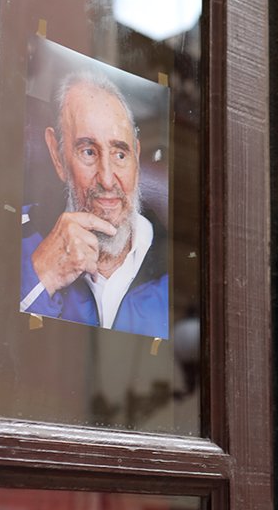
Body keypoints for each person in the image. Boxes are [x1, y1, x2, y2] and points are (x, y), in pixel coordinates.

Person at [19, 70, 168, 339]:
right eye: (88, 151)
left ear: (135, 155)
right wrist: (41, 276)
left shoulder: (174, 267)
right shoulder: (12, 238)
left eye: (120, 153)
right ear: (57, 155)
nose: (108, 180)